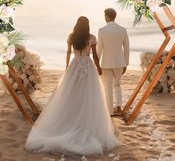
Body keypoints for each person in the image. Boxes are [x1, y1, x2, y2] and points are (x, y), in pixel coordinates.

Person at [25, 16, 118, 155]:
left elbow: (68, 52)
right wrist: (98, 68)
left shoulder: (71, 37)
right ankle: (85, 123)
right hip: (88, 66)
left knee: (71, 94)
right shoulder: (91, 37)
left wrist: (67, 66)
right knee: (89, 96)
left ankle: (70, 121)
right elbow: (95, 56)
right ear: (87, 26)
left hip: (75, 65)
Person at [97, 8, 129, 116]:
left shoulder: (102, 30)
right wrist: (126, 63)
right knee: (118, 85)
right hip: (120, 62)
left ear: (106, 16)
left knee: (108, 87)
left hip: (106, 63)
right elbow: (126, 47)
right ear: (114, 16)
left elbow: (99, 48)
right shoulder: (122, 29)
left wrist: (97, 64)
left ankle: (109, 111)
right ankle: (119, 107)